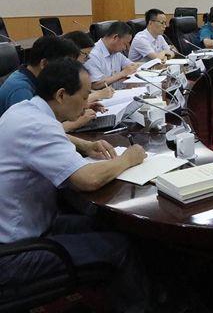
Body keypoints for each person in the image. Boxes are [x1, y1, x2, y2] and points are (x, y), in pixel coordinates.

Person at [0, 58, 148, 311]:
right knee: (120, 247)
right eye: (84, 95)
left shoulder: (24, 110)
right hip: (14, 252)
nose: (87, 101)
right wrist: (127, 159)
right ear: (61, 95)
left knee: (109, 222)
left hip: (29, 225)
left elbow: (52, 134)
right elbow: (87, 180)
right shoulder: (38, 125)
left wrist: (85, 145)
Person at [0, 36, 79, 117]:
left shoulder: (35, 78)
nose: (68, 72)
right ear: (44, 63)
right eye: (64, 66)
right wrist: (79, 121)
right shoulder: (21, 90)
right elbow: (32, 123)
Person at [84, 21, 139, 89]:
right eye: (125, 44)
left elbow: (131, 65)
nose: (125, 48)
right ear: (115, 37)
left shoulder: (116, 52)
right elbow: (95, 85)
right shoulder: (92, 54)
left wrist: (132, 68)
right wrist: (122, 74)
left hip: (118, 92)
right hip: (103, 95)